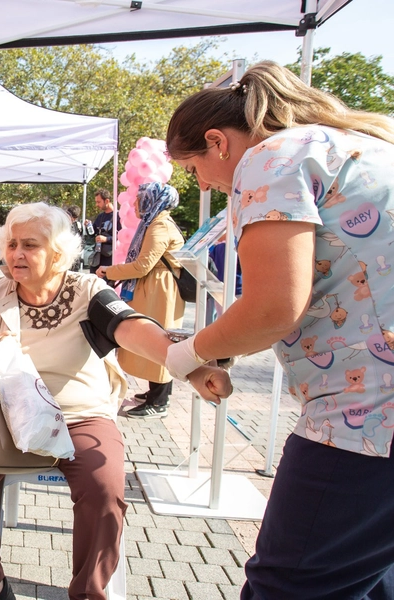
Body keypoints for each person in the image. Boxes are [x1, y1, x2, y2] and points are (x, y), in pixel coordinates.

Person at [164, 60, 394, 599]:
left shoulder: (271, 158)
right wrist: (225, 348)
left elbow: (272, 307)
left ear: (218, 142)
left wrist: (187, 353)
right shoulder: (362, 147)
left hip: (367, 418)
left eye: (194, 168)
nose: (203, 184)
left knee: (288, 584)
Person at [0, 202, 231, 600]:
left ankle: (88, 591)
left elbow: (129, 327)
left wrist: (190, 365)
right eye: (12, 244)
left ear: (57, 252)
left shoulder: (86, 290)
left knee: (104, 489)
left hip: (80, 416)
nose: (17, 254)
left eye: (30, 245)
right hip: (11, 417)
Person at [96, 182, 185, 418]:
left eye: (139, 199)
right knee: (154, 338)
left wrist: (110, 271)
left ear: (151, 200)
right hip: (155, 289)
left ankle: (159, 401)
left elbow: (142, 265)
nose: (135, 203)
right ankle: (155, 392)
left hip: (159, 291)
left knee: (158, 339)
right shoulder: (156, 222)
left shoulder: (159, 225)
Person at [89, 189, 121, 274]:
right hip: (98, 257)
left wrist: (106, 239)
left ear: (107, 201)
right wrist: (88, 227)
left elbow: (122, 238)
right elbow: (92, 235)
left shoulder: (118, 216)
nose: (97, 205)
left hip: (110, 258)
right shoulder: (100, 216)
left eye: (99, 202)